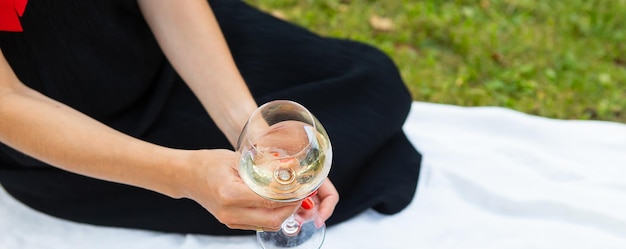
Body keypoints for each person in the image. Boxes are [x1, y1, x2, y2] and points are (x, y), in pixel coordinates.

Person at [0, 0, 421, 236]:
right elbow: (8, 102)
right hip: (78, 132)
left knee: (373, 84)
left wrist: (252, 133)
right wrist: (185, 176)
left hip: (154, 45)